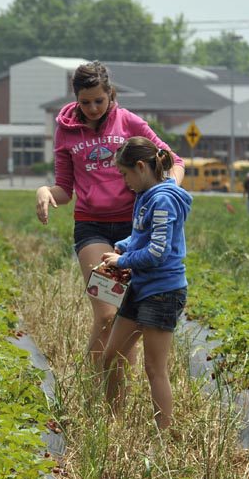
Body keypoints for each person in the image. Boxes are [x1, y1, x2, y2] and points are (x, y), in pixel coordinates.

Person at [35, 61, 185, 364]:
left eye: (99, 101)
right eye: (85, 102)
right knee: (106, 312)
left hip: (135, 229)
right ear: (76, 98)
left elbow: (173, 160)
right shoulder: (65, 132)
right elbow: (65, 189)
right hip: (93, 227)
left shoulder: (128, 122)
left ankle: (116, 393)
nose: (92, 108)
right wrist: (45, 192)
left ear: (111, 94)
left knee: (126, 315)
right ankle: (93, 385)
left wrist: (163, 191)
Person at [99, 137, 192, 429]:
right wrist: (122, 247)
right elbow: (142, 237)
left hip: (163, 292)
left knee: (155, 368)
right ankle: (112, 421)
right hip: (141, 288)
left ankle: (161, 438)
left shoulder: (163, 199)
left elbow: (157, 251)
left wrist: (122, 262)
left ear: (141, 167)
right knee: (111, 356)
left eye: (125, 174)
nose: (125, 182)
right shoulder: (146, 195)